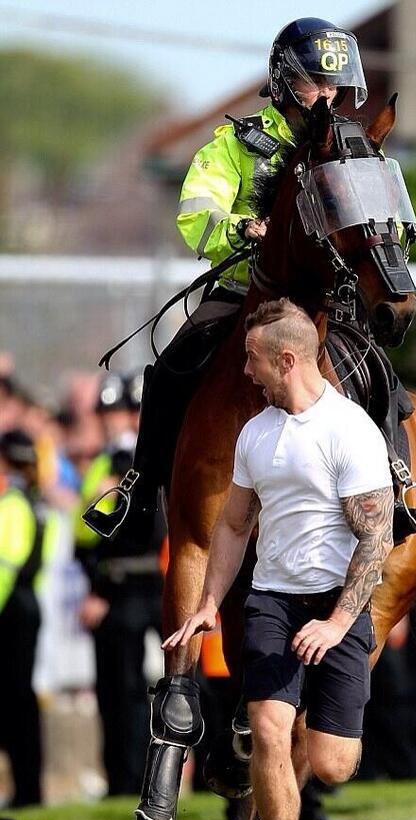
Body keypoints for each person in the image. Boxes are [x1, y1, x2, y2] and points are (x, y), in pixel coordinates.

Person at [84, 18, 370, 539]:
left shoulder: (346, 152)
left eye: (336, 85)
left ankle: (398, 481)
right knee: (172, 368)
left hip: (324, 302)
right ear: (284, 82)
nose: (329, 96)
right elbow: (196, 212)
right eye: (317, 84)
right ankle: (139, 487)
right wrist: (241, 227)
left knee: (382, 375)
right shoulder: (233, 145)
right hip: (245, 294)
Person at [163, 298, 394, 820]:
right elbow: (235, 526)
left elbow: (377, 537)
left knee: (334, 760)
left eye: (253, 359)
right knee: (267, 728)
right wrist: (211, 601)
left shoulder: (351, 431)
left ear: (286, 360)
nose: (245, 371)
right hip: (271, 600)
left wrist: (337, 623)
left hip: (337, 604)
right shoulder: (255, 432)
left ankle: (325, 743)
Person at [75, 371, 165, 796]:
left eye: (121, 412)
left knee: (136, 688)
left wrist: (101, 587)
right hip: (119, 584)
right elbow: (86, 533)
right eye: (108, 412)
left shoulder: (135, 462)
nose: (113, 420)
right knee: (117, 689)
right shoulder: (106, 462)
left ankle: (137, 777)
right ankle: (123, 778)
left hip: (134, 583)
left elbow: (131, 531)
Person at [0, 431, 48, 806]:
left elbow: (6, 565)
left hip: (11, 609)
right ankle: (27, 788)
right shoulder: (36, 501)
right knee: (21, 702)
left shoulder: (14, 504)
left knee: (15, 704)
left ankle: (26, 790)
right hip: (27, 605)